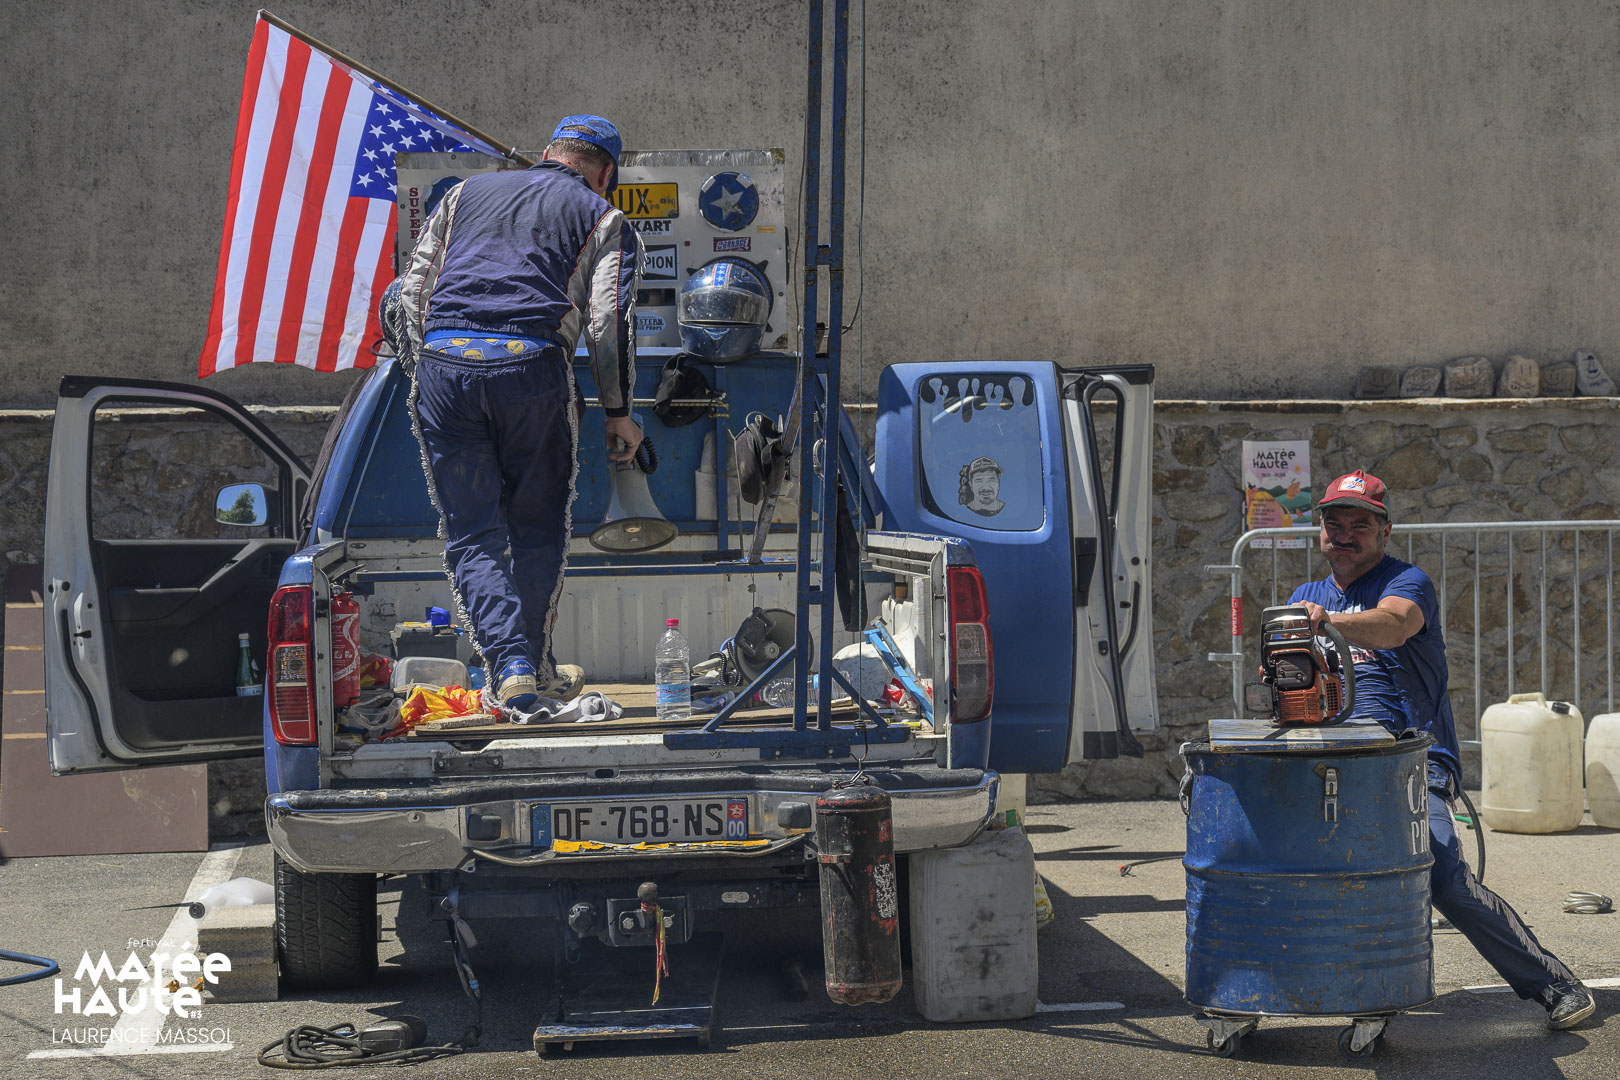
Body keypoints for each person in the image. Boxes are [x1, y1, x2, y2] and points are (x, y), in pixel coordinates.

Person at [1291, 469, 1595, 1030]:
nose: (1345, 536)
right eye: (1335, 525)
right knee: (1298, 869)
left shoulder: (1406, 582)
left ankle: (1555, 984)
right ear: (1321, 533)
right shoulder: (1305, 598)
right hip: (1332, 765)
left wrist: (1328, 623)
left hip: (1414, 762)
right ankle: (1339, 991)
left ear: (1385, 532)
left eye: (1360, 526)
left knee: (1441, 876)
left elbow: (1394, 626)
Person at [393, 114, 644, 710]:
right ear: (605, 173)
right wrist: (618, 412)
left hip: (444, 368)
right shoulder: (605, 217)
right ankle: (528, 665)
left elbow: (412, 293)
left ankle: (511, 669)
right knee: (537, 528)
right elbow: (607, 323)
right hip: (531, 369)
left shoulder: (462, 194)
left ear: (548, 152)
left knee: (472, 533)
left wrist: (431, 368)